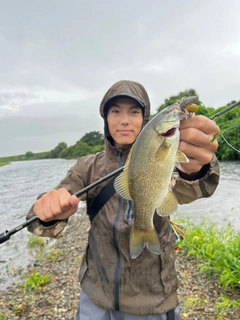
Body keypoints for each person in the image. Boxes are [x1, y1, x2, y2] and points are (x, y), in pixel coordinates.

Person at [27, 80, 220, 320]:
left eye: (134, 112)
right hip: (95, 293)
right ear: (106, 119)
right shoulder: (87, 167)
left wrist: (197, 169)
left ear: (145, 118)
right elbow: (36, 222)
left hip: (153, 299)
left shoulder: (169, 151)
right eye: (115, 111)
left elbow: (196, 187)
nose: (125, 120)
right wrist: (47, 212)